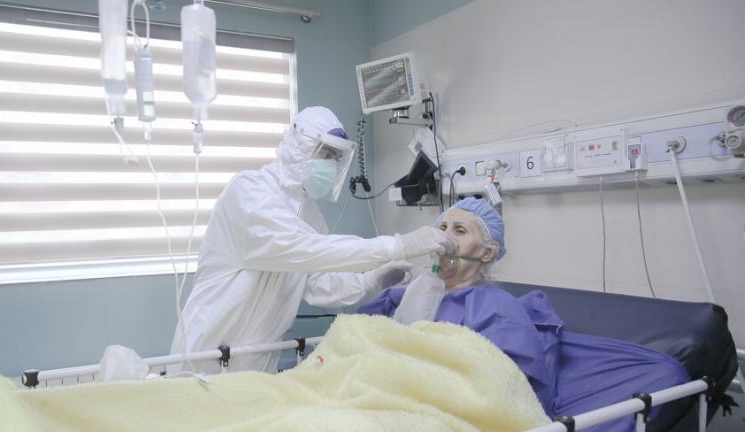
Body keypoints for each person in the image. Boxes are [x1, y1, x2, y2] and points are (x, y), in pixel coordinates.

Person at [358, 197, 689, 429]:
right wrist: (376, 285)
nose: (443, 238)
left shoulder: (496, 309)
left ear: (488, 251)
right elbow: (360, 340)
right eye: (441, 227)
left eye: (459, 231)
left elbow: (504, 392)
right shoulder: (410, 294)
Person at [170, 106, 456, 374]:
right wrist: (395, 245)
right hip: (206, 354)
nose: (331, 165)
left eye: (336, 158)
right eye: (326, 153)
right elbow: (297, 248)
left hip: (258, 360)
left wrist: (371, 281)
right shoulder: (249, 191)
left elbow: (319, 283)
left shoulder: (311, 214)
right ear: (299, 146)